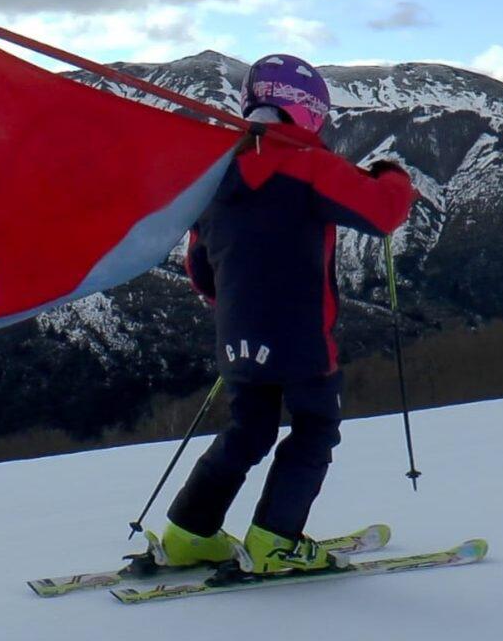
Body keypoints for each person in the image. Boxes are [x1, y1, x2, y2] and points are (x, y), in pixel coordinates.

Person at [157, 54, 416, 574]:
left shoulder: (217, 177)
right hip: (300, 334)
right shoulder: (308, 164)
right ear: (307, 112)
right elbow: (384, 212)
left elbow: (199, 268)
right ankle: (274, 539)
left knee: (248, 430)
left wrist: (237, 307)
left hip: (237, 333)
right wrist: (393, 175)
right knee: (315, 425)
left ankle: (189, 533)